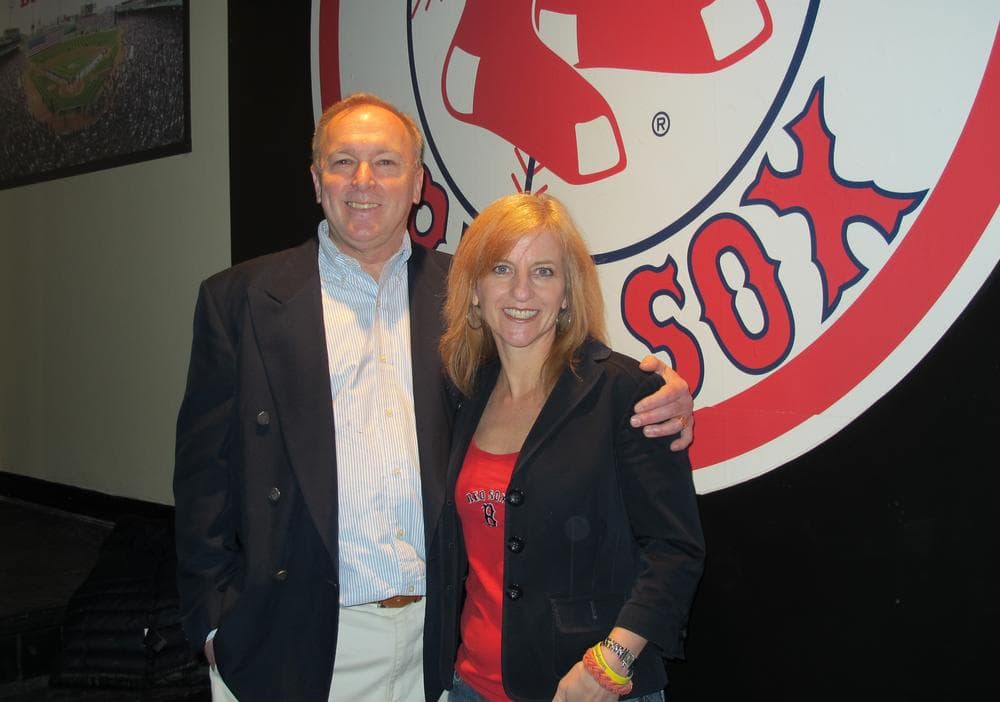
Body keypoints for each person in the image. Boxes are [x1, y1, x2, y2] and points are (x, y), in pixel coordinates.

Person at [173, 93, 695, 702]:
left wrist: (663, 390)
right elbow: (202, 478)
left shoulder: (468, 289)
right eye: (343, 162)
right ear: (316, 180)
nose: (363, 181)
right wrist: (215, 623)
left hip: (438, 644)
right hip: (291, 637)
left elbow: (561, 375)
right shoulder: (238, 300)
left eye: (386, 163)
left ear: (418, 183)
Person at [437, 193, 705, 701]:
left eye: (543, 271)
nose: (521, 290)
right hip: (470, 685)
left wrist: (610, 664)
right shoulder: (462, 393)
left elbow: (676, 550)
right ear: (474, 289)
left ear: (566, 292)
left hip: (588, 688)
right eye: (501, 268)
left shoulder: (626, 391)